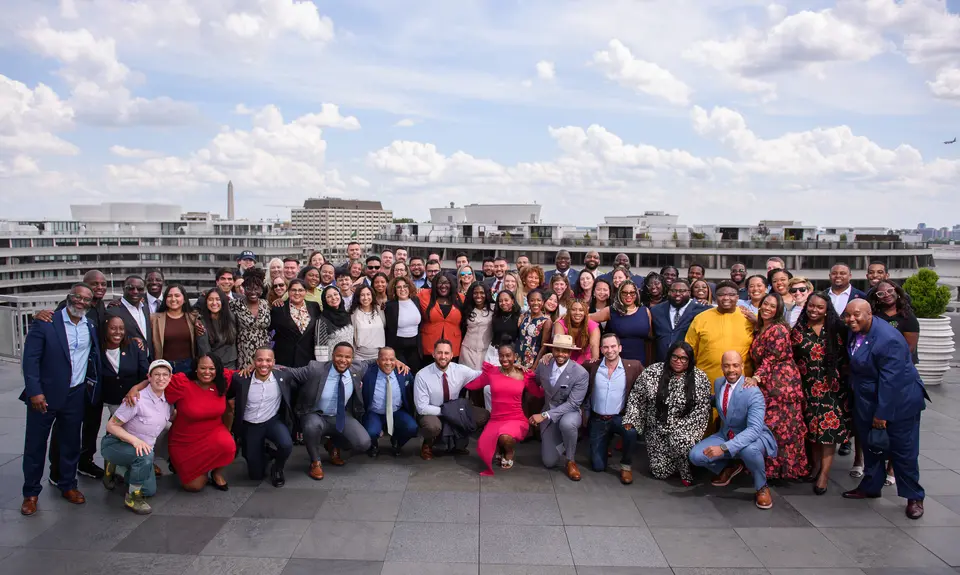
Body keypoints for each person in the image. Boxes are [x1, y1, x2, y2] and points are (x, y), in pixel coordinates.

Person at [842, 300, 928, 520]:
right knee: (871, 446)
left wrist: (882, 415)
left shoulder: (888, 339)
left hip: (898, 403)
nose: (851, 319)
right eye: (848, 315)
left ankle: (914, 497)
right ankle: (871, 486)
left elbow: (892, 382)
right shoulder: (856, 330)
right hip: (866, 399)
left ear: (870, 314)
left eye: (857, 315)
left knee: (903, 451)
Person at [20, 283, 100, 516]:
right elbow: (30, 360)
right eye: (77, 297)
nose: (81, 302)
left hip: (75, 394)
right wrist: (35, 391)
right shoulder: (46, 322)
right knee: (35, 445)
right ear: (69, 298)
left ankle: (67, 484)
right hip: (44, 395)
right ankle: (31, 493)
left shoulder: (90, 326)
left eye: (86, 299)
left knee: (70, 442)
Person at [280, 342, 399, 479]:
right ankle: (315, 461)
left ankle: (333, 444)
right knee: (311, 427)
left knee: (363, 443)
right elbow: (289, 371)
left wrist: (398, 362)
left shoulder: (357, 368)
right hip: (316, 414)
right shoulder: (316, 368)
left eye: (347, 357)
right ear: (332, 356)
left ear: (352, 358)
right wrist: (264, 367)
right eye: (339, 356)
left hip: (340, 415)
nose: (343, 360)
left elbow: (378, 360)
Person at [124, 353, 237, 492]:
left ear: (217, 369)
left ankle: (216, 473)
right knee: (194, 486)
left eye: (211, 369)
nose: (207, 372)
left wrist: (253, 367)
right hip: (185, 440)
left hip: (214, 433)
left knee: (228, 445)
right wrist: (136, 388)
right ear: (196, 368)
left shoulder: (222, 380)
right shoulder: (182, 383)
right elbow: (157, 379)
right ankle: (190, 466)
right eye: (202, 368)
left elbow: (244, 373)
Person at [689, 351, 778, 510]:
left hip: (752, 437)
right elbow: (721, 403)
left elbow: (754, 430)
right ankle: (728, 468)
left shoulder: (753, 392)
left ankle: (761, 486)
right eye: (727, 365)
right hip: (725, 434)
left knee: (749, 450)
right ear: (721, 367)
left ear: (742, 366)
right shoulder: (718, 383)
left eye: (736, 365)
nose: (731, 370)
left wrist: (724, 448)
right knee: (696, 456)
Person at [623, 341, 711, 485]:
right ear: (669, 356)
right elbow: (637, 397)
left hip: (684, 430)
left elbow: (701, 412)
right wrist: (631, 419)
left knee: (680, 442)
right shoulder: (653, 372)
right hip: (657, 430)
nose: (678, 361)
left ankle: (685, 469)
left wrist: (679, 431)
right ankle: (676, 462)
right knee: (660, 472)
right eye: (675, 357)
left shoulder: (700, 378)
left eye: (684, 358)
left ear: (690, 360)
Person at [791, 291, 850, 495]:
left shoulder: (837, 329)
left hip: (831, 388)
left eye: (819, 307)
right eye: (811, 306)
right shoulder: (798, 330)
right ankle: (815, 467)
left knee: (828, 433)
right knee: (812, 432)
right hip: (807, 388)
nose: (814, 310)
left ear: (827, 310)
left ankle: (824, 474)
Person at [100, 359, 174, 514]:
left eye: (165, 375)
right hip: (116, 444)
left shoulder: (167, 401)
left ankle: (116, 469)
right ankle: (133, 497)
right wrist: (135, 441)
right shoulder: (136, 399)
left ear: (170, 377)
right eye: (157, 375)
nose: (161, 378)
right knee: (145, 456)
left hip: (141, 450)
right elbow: (111, 426)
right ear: (149, 377)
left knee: (149, 489)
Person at [749, 293, 809, 480]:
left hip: (782, 385)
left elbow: (772, 357)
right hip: (768, 383)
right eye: (765, 304)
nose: (767, 308)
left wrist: (756, 377)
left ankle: (786, 471)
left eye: (772, 306)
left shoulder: (779, 329)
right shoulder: (761, 328)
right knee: (770, 428)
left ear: (779, 310)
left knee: (783, 428)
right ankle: (770, 470)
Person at [463, 344, 543, 475]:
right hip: (496, 419)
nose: (504, 359)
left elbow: (538, 392)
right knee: (482, 448)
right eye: (501, 356)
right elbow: (474, 383)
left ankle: (509, 451)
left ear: (515, 357)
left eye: (508, 355)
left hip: (516, 418)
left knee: (505, 437)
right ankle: (500, 447)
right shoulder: (492, 372)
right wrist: (454, 381)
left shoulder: (523, 375)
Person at [228, 348, 295, 487]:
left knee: (286, 444)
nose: (264, 364)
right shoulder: (241, 379)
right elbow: (229, 396)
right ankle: (265, 452)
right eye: (259, 360)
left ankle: (277, 468)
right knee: (255, 475)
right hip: (250, 425)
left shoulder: (283, 377)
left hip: (272, 421)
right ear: (253, 361)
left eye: (268, 360)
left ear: (274, 362)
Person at [414, 340, 491, 460]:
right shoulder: (422, 375)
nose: (443, 356)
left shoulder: (460, 370)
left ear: (452, 355)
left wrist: (507, 370)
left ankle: (458, 443)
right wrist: (446, 411)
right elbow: (421, 407)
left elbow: (481, 375)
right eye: (439, 353)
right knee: (432, 426)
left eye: (446, 353)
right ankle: (427, 445)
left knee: (483, 415)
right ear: (433, 354)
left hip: (454, 409)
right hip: (432, 412)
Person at [584, 333, 643, 484]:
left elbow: (652, 379)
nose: (610, 350)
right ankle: (606, 442)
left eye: (613, 346)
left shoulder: (634, 366)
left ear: (620, 348)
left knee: (631, 431)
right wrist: (549, 356)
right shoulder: (592, 366)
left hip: (620, 417)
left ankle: (626, 466)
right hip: (598, 419)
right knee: (598, 466)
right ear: (601, 349)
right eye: (606, 347)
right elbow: (571, 369)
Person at [532, 334, 589, 480]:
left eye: (565, 351)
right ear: (553, 350)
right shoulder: (543, 365)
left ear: (570, 353)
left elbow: (573, 404)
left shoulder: (580, 373)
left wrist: (543, 415)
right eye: (557, 350)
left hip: (569, 412)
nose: (561, 354)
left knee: (567, 424)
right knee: (549, 462)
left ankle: (570, 460)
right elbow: (535, 381)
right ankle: (562, 442)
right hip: (549, 410)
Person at [685, 281, 754, 388]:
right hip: (705, 381)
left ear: (737, 297)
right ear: (715, 297)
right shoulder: (701, 318)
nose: (726, 298)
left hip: (741, 384)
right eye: (721, 295)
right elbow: (689, 349)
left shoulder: (749, 318)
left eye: (731, 295)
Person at [361, 347, 418, 457]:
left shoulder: (403, 372)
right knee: (371, 432)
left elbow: (414, 388)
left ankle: (397, 441)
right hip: (374, 412)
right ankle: (373, 445)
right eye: (384, 359)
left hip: (397, 411)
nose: (388, 363)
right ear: (377, 361)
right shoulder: (367, 372)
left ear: (396, 360)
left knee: (412, 428)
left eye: (392, 360)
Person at [591, 280, 652, 365]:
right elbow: (587, 318)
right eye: (624, 293)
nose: (628, 296)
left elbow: (650, 338)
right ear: (619, 294)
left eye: (632, 293)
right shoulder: (611, 310)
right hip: (616, 362)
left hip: (640, 361)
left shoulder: (645, 311)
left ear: (637, 294)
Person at [651, 279, 709, 363]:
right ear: (668, 292)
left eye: (682, 291)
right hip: (661, 362)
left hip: (688, 363)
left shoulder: (702, 310)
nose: (677, 294)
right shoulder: (656, 310)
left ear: (689, 292)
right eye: (674, 291)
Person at [271, 279, 321, 368]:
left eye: (300, 290)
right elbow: (269, 330)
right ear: (288, 291)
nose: (297, 293)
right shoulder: (278, 308)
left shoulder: (314, 306)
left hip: (308, 358)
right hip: (285, 359)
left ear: (305, 292)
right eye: (293, 290)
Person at [151, 284, 198, 374]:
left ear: (184, 299)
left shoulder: (193, 317)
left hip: (188, 366)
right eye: (169, 296)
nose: (173, 299)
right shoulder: (154, 319)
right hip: (164, 367)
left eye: (177, 295)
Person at [230, 268, 271, 367]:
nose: (253, 292)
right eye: (249, 288)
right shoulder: (234, 304)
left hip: (264, 353)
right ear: (244, 288)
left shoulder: (266, 304)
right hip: (244, 353)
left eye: (257, 288)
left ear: (262, 289)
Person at [419, 273, 463, 363]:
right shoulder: (423, 295)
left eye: (447, 283)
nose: (443, 286)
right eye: (440, 283)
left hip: (453, 346)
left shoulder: (461, 298)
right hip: (429, 345)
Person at [106, 275, 152, 357]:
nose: (135, 291)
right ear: (124, 289)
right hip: (128, 361)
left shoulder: (145, 307)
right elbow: (107, 338)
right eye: (131, 288)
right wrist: (129, 340)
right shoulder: (112, 311)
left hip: (148, 360)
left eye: (140, 289)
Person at [385, 276, 423, 374]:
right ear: (394, 289)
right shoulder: (390, 306)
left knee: (415, 373)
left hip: (415, 346)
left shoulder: (416, 300)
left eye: (405, 286)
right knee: (402, 374)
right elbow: (388, 330)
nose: (402, 289)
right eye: (398, 287)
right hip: (398, 347)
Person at [196, 288, 238, 369]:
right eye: (210, 300)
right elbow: (205, 352)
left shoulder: (231, 317)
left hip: (233, 365)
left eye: (218, 299)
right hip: (214, 366)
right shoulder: (201, 323)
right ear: (206, 302)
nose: (214, 303)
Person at [314, 286, 355, 362]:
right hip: (332, 364)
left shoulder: (347, 315)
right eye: (329, 296)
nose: (333, 298)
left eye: (336, 294)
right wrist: (323, 368)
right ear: (324, 300)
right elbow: (320, 348)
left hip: (348, 361)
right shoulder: (322, 320)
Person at [460, 282, 494, 370]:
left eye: (482, 293)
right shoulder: (466, 308)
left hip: (486, 352)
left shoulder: (494, 308)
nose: (478, 296)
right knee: (468, 380)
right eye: (475, 293)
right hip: (467, 351)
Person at [553, 299, 600, 364]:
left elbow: (594, 345)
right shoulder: (560, 324)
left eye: (581, 310)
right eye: (573, 310)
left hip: (585, 358)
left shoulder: (592, 325)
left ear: (585, 312)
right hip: (565, 356)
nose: (577, 313)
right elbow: (560, 345)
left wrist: (595, 359)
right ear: (569, 311)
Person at [350, 284, 386, 362]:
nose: (366, 298)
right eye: (362, 295)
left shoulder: (380, 310)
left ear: (372, 296)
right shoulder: (353, 314)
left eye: (368, 294)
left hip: (379, 356)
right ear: (358, 297)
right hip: (359, 357)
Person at [518, 290, 552, 368]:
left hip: (531, 361)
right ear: (528, 302)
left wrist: (534, 366)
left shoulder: (546, 321)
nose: (535, 303)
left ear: (543, 302)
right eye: (532, 300)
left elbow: (544, 346)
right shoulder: (524, 317)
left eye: (539, 300)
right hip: (517, 359)